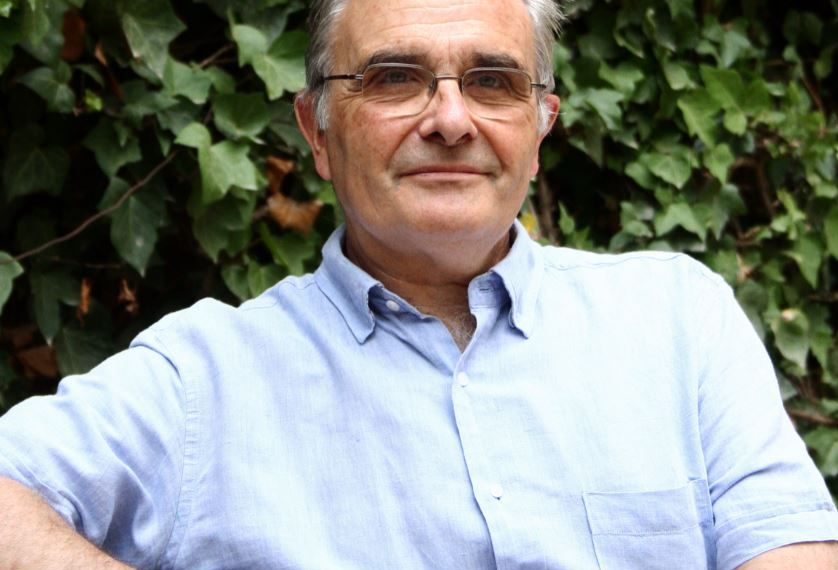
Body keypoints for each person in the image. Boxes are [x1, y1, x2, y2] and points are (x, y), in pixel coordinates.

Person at [1, 0, 837, 567]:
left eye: (493, 82)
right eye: (394, 78)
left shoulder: (678, 321)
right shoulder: (201, 379)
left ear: (540, 130)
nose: (450, 119)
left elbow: (792, 547)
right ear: (317, 132)